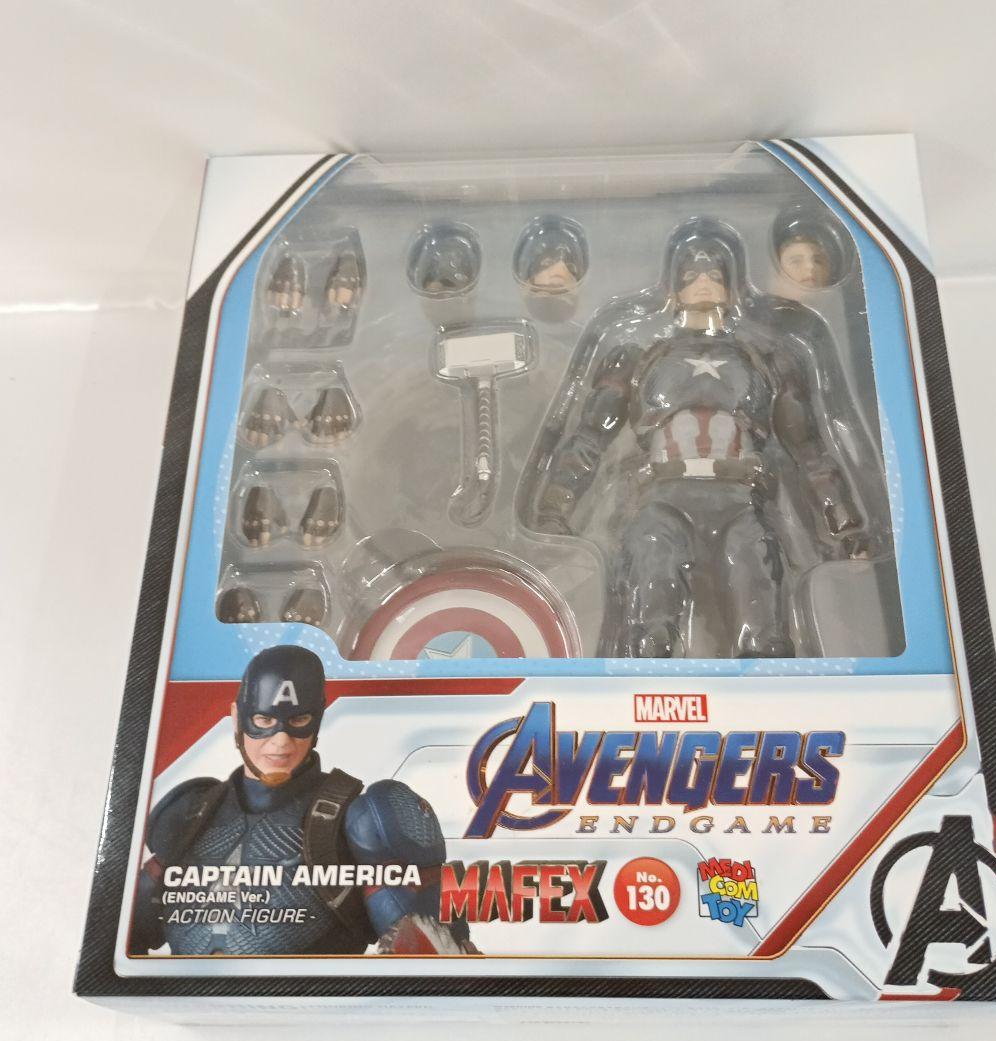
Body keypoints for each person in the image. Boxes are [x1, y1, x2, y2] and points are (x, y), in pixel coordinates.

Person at [535, 220, 864, 659]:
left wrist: (846, 527)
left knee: (764, 631)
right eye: (692, 274)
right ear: (674, 287)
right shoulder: (638, 358)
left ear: (732, 286)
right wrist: (554, 508)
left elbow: (809, 450)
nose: (704, 281)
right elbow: (589, 438)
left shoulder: (768, 359)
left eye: (715, 274)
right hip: (664, 500)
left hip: (741, 501)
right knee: (649, 626)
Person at [130, 645, 472, 955]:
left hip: (312, 999)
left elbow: (437, 959)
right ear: (237, 719)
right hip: (184, 996)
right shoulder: (190, 812)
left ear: (317, 719)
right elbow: (123, 940)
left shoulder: (367, 819)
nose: (280, 741)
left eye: (297, 721)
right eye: (263, 720)